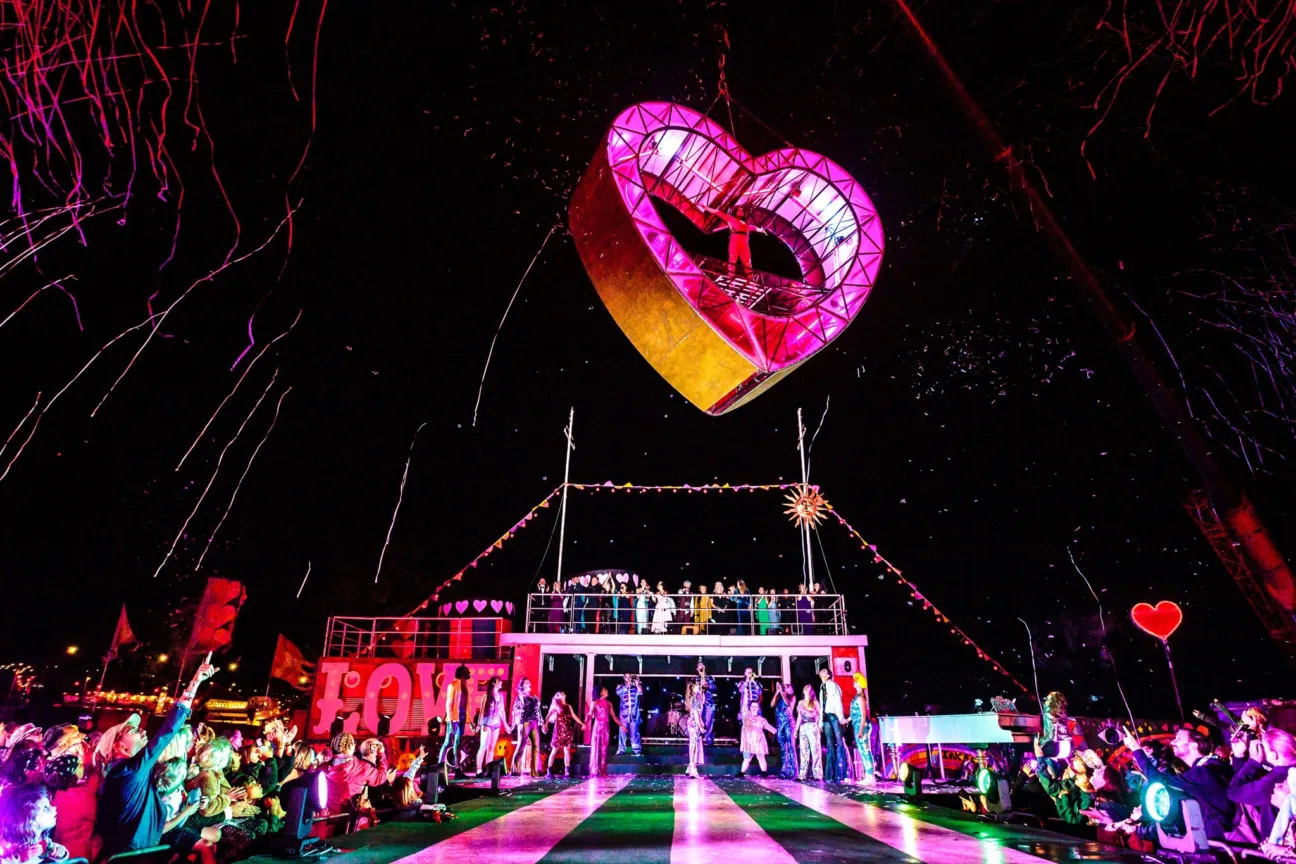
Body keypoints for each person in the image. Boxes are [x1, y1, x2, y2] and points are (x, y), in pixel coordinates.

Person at [96, 658, 216, 860]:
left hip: (134, 850)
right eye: (132, 730)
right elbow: (166, 733)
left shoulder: (124, 773)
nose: (141, 730)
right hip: (133, 854)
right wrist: (193, 684)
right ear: (119, 746)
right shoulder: (130, 771)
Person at [1122, 724, 1235, 840]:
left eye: (1179, 738)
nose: (1173, 742)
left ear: (1194, 745)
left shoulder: (1203, 773)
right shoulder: (1207, 768)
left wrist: (1135, 748)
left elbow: (1159, 780)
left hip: (1221, 841)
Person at [1229, 727, 1296, 843]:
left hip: (1278, 850)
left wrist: (1253, 762)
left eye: (1262, 747)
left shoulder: (1272, 783)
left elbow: (1233, 792)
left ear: (1274, 755)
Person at [320, 731, 389, 819]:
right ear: (350, 745)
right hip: (349, 820)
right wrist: (381, 755)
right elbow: (381, 777)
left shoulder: (323, 767)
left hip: (326, 817)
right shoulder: (362, 768)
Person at [0, 783, 66, 864]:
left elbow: (55, 855)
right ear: (29, 821)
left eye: (49, 804)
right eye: (45, 808)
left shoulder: (39, 837)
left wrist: (59, 853)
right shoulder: (7, 845)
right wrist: (19, 858)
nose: (54, 808)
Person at [699, 201, 765, 277]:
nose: (740, 211)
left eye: (741, 210)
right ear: (735, 212)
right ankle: (731, 279)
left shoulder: (747, 225)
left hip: (744, 243)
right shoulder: (731, 219)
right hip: (735, 239)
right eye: (738, 210)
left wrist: (762, 230)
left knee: (748, 263)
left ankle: (751, 282)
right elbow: (717, 212)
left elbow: (755, 228)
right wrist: (705, 207)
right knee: (732, 260)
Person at [475, 677, 513, 777]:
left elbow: (502, 711)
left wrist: (505, 725)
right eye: (499, 681)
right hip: (487, 723)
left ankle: (488, 769)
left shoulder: (501, 696)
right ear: (493, 683)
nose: (501, 682)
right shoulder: (486, 695)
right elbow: (482, 711)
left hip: (496, 724)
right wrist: (479, 724)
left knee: (491, 748)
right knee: (483, 746)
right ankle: (479, 770)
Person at [438, 664, 473, 770]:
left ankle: (457, 768)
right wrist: (451, 719)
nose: (467, 676)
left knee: (457, 742)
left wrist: (469, 719)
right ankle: (439, 766)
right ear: (462, 674)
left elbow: (465, 704)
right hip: (454, 719)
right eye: (466, 673)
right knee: (448, 741)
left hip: (461, 717)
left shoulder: (464, 687)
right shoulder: (452, 685)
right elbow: (448, 704)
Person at [585, 688, 624, 777]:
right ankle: (594, 770)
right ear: (601, 692)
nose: (607, 691)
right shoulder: (594, 702)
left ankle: (603, 770)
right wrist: (585, 723)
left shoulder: (609, 704)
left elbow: (614, 717)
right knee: (595, 747)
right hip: (597, 726)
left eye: (606, 690)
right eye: (605, 690)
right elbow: (590, 714)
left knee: (604, 749)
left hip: (605, 727)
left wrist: (622, 725)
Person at [818, 667, 847, 783]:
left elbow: (837, 701)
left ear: (829, 675)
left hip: (833, 715)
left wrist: (840, 717)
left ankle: (841, 772)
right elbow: (821, 705)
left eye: (825, 671)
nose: (822, 673)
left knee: (839, 742)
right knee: (829, 744)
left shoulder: (832, 685)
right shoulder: (822, 687)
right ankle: (830, 774)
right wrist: (820, 721)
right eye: (821, 671)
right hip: (825, 716)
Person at [512, 678, 546, 776]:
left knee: (536, 746)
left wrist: (542, 723)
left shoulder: (534, 697)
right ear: (522, 685)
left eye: (529, 682)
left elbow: (538, 711)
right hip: (525, 722)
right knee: (521, 745)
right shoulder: (520, 697)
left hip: (534, 722)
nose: (529, 683)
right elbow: (515, 710)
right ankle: (516, 770)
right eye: (526, 682)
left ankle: (535, 772)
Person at [545, 693, 585, 777]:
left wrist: (582, 724)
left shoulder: (568, 706)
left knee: (567, 750)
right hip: (558, 731)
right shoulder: (556, 706)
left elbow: (574, 716)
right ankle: (549, 770)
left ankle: (567, 770)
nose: (563, 693)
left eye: (563, 693)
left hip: (567, 731)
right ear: (558, 697)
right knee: (554, 750)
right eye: (560, 693)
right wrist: (545, 725)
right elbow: (548, 717)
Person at [848, 673, 875, 785]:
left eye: (855, 680)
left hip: (862, 726)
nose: (854, 682)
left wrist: (860, 730)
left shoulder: (860, 698)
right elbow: (856, 713)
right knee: (862, 750)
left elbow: (863, 715)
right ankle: (868, 775)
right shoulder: (857, 697)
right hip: (857, 725)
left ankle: (870, 775)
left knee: (865, 749)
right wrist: (847, 719)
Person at [739, 702, 779, 776]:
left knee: (761, 758)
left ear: (758, 708)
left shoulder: (762, 720)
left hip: (759, 741)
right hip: (748, 742)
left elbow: (770, 728)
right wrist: (745, 692)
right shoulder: (746, 717)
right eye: (752, 706)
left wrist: (778, 732)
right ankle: (741, 773)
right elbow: (744, 705)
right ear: (750, 707)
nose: (754, 708)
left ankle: (764, 773)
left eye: (756, 706)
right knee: (747, 759)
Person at [794, 685, 824, 781]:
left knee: (815, 750)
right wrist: (796, 730)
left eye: (809, 689)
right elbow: (799, 717)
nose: (807, 690)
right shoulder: (800, 702)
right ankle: (802, 774)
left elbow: (820, 715)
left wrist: (819, 726)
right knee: (803, 751)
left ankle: (817, 774)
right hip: (803, 727)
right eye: (805, 688)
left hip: (812, 726)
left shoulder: (815, 703)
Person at [771, 684, 798, 779]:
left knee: (790, 746)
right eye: (785, 686)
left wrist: (782, 692)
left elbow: (788, 704)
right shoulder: (780, 696)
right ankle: (784, 770)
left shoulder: (792, 697)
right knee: (783, 748)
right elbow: (771, 705)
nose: (786, 687)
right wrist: (777, 692)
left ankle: (793, 771)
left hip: (789, 723)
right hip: (780, 724)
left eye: (788, 686)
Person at [615, 674, 643, 757]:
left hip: (634, 715)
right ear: (624, 678)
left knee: (635, 734)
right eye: (626, 677)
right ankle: (620, 750)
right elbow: (618, 692)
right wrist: (627, 685)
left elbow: (640, 692)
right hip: (624, 715)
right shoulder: (620, 686)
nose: (628, 678)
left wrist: (637, 683)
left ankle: (637, 751)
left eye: (629, 677)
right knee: (622, 734)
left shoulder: (635, 687)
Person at [684, 681, 706, 779]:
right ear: (693, 688)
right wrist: (700, 726)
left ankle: (689, 768)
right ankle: (693, 769)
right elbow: (696, 714)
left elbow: (702, 703)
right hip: (694, 724)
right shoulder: (694, 699)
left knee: (694, 744)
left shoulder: (695, 698)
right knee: (694, 746)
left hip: (693, 723)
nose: (699, 687)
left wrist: (703, 693)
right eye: (697, 686)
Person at [693, 663, 717, 745]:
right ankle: (699, 736)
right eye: (699, 666)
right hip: (698, 702)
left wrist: (707, 683)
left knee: (709, 719)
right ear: (697, 669)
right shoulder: (695, 678)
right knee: (698, 719)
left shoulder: (710, 677)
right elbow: (692, 689)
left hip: (709, 702)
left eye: (702, 666)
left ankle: (708, 737)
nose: (701, 667)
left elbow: (714, 688)